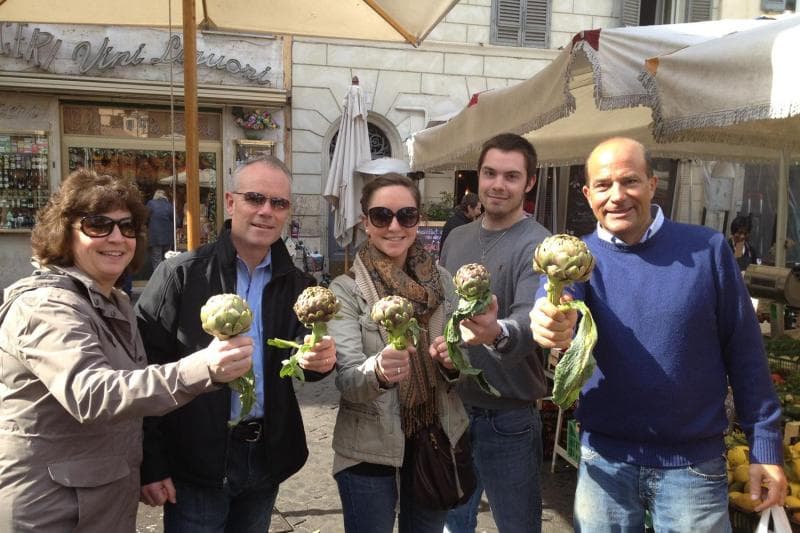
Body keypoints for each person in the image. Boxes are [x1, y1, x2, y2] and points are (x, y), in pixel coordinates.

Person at [530, 137, 786, 532]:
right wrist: (550, 320)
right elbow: (558, 300)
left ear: (653, 184)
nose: (617, 196)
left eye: (630, 181)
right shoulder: (577, 258)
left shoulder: (708, 250)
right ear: (587, 193)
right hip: (605, 464)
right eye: (603, 185)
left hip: (692, 468)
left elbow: (746, 353)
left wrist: (764, 445)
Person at [0, 169, 253, 532]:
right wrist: (201, 368)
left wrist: (147, 467)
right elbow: (93, 394)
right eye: (98, 225)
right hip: (50, 510)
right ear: (64, 231)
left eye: (128, 226)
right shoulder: (46, 306)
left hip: (104, 502)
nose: (117, 237)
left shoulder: (115, 301)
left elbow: (134, 400)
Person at [135, 155, 337, 533]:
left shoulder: (297, 284)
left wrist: (319, 361)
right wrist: (152, 462)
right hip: (196, 462)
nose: (266, 211)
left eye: (278, 203)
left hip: (265, 458)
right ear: (231, 203)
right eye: (255, 198)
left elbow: (301, 359)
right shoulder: (182, 274)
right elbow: (143, 368)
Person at [328, 173, 469, 532]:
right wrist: (378, 370)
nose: (394, 226)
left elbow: (462, 366)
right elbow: (347, 381)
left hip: (435, 436)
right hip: (368, 447)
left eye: (406, 215)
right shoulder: (345, 291)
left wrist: (454, 364)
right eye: (381, 216)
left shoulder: (444, 282)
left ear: (418, 219)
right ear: (365, 223)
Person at [440, 133, 551, 533]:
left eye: (511, 176)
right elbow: (443, 310)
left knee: (517, 526)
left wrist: (494, 331)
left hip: (508, 416)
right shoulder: (457, 238)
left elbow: (531, 320)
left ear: (529, 182)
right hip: (453, 410)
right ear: (478, 176)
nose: (498, 185)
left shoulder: (540, 245)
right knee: (453, 523)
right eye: (490, 173)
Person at [146, 188, 174, 271]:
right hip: (168, 237)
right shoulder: (169, 205)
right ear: (164, 196)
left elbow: (145, 218)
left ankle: (158, 281)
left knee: (156, 260)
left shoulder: (150, 203)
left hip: (155, 237)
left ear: (155, 196)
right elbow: (176, 220)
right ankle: (168, 280)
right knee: (167, 260)